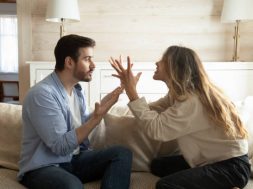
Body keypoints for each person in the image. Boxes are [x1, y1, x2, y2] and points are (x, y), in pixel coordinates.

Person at [109, 46, 251, 189]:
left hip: (231, 168)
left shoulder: (193, 101)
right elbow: (151, 110)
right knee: (157, 165)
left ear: (175, 68)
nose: (156, 63)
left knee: (165, 186)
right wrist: (131, 91)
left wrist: (132, 92)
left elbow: (157, 130)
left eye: (163, 60)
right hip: (211, 161)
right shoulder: (178, 95)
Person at [18, 34, 132, 189]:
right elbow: (60, 147)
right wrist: (95, 119)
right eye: (87, 59)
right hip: (44, 167)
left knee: (121, 153)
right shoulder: (42, 94)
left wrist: (107, 104)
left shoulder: (77, 91)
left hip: (73, 159)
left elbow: (81, 129)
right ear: (69, 62)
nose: (93, 65)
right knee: (73, 186)